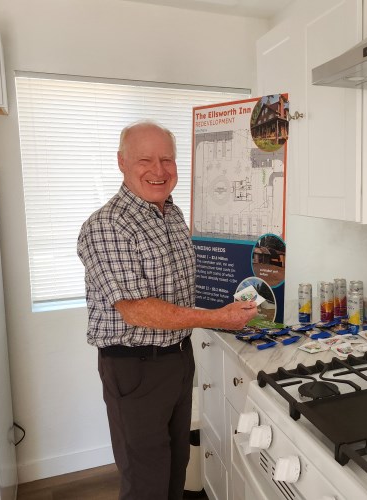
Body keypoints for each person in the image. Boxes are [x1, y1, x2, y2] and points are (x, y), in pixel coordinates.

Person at [77, 120, 257, 499]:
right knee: (146, 481)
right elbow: (137, 311)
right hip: (135, 366)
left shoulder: (171, 214)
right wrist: (217, 318)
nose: (158, 171)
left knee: (174, 470)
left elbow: (177, 289)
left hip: (177, 358)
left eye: (167, 159)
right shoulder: (108, 225)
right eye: (145, 159)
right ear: (121, 162)